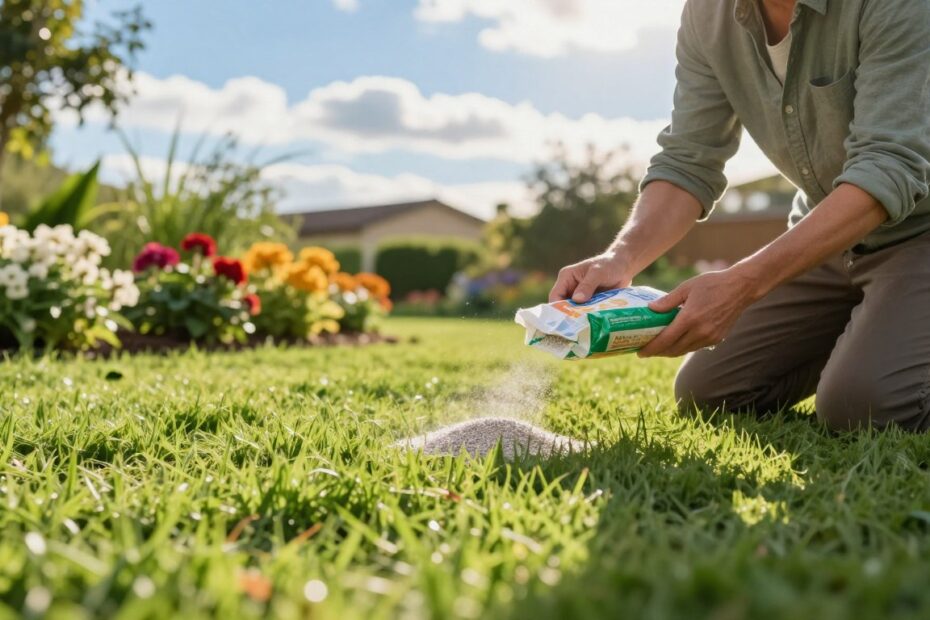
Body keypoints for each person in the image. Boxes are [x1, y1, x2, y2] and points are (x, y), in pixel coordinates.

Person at [549, 0, 930, 431]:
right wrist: (621, 257)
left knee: (865, 406)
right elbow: (688, 160)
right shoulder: (707, 15)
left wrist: (743, 284)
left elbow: (889, 166)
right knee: (711, 392)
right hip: (828, 239)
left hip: (921, 233)